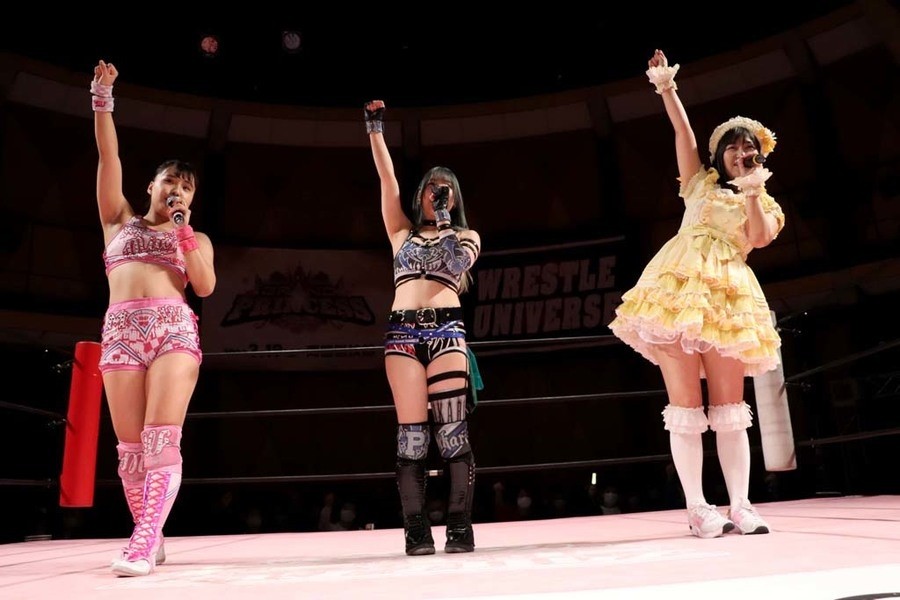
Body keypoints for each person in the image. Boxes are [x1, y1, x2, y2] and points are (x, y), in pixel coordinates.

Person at [609, 50, 784, 538]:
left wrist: (752, 188)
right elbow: (682, 134)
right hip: (676, 294)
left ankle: (741, 505)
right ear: (719, 153)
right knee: (686, 406)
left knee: (729, 408)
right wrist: (667, 87)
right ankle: (697, 507)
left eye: (748, 147)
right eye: (732, 146)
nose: (740, 152)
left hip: (727, 299)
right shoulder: (698, 184)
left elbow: (759, 237)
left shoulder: (764, 200)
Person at [91, 60, 216, 575]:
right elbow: (109, 155)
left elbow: (204, 286)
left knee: (161, 439)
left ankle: (141, 544)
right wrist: (102, 99)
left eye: (186, 187)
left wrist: (184, 233)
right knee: (130, 451)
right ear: (151, 185)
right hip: (120, 332)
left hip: (172, 332)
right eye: (171, 181)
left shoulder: (195, 238)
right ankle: (151, 530)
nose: (177, 190)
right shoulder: (116, 219)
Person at [364, 99, 482, 555]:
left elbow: (456, 264)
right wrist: (375, 128)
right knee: (411, 437)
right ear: (420, 196)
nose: (438, 195)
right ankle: (415, 530)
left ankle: (460, 526)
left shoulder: (467, 235)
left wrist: (447, 220)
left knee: (452, 434)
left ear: (456, 198)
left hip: (446, 332)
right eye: (433, 189)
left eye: (446, 190)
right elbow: (387, 179)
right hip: (402, 334)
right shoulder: (400, 233)